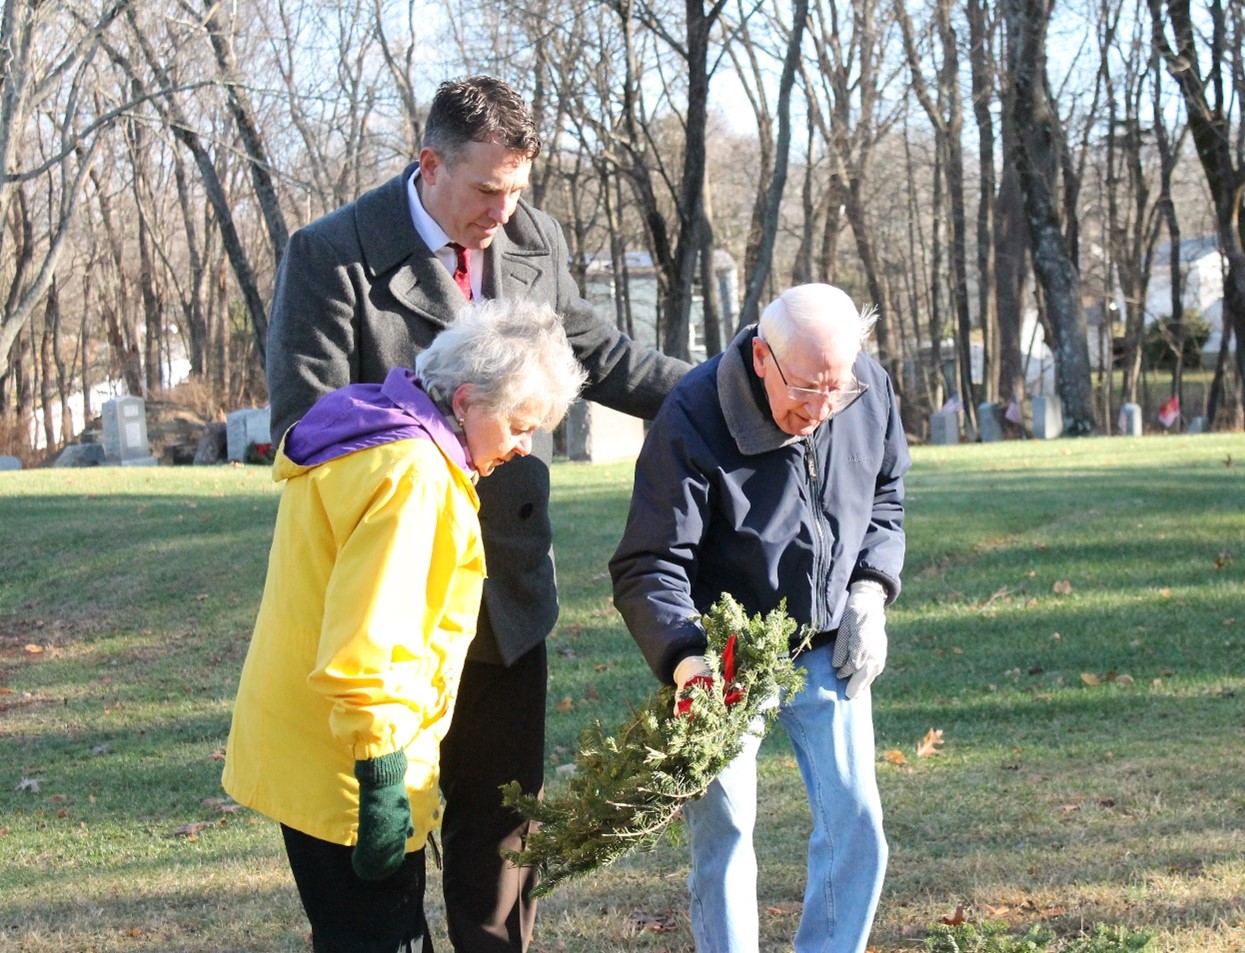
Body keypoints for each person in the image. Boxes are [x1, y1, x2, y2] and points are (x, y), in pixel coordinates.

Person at [263, 75, 689, 950]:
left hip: (508, 592)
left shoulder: (533, 236)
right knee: (383, 839)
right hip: (393, 600)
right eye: (488, 188)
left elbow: (597, 353)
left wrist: (716, 391)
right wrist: (435, 435)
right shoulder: (331, 254)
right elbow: (302, 427)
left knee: (500, 835)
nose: (505, 210)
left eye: (519, 189)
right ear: (430, 164)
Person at [224, 298, 586, 953]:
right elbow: (372, 638)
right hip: (352, 768)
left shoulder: (367, 427)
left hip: (305, 739)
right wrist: (384, 782)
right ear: (470, 400)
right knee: (381, 936)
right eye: (520, 424)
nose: (524, 445)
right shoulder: (415, 476)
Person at [609, 282, 911, 953]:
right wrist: (689, 660)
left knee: (856, 818)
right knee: (727, 825)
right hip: (725, 655)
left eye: (837, 388)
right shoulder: (691, 415)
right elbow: (647, 563)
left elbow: (886, 494)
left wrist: (869, 589)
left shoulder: (865, 386)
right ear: (761, 357)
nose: (822, 407)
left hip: (830, 637)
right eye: (805, 389)